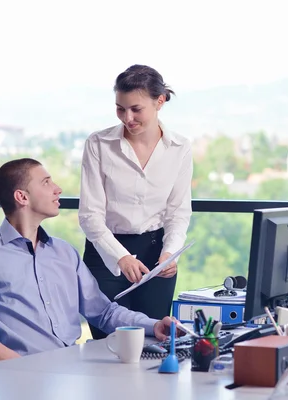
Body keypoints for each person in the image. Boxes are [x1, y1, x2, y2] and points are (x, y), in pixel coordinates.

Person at [0, 158, 177, 363]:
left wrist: (154, 325)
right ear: (22, 197)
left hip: (72, 371)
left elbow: (103, 313)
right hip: (18, 376)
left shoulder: (64, 253)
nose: (58, 189)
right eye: (46, 182)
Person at [79, 65, 193, 339]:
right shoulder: (98, 144)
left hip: (156, 255)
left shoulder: (179, 148)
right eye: (120, 108)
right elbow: (89, 216)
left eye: (136, 109)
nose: (127, 117)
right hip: (105, 254)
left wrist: (170, 254)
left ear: (160, 101)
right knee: (110, 343)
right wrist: (122, 257)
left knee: (155, 341)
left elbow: (178, 212)